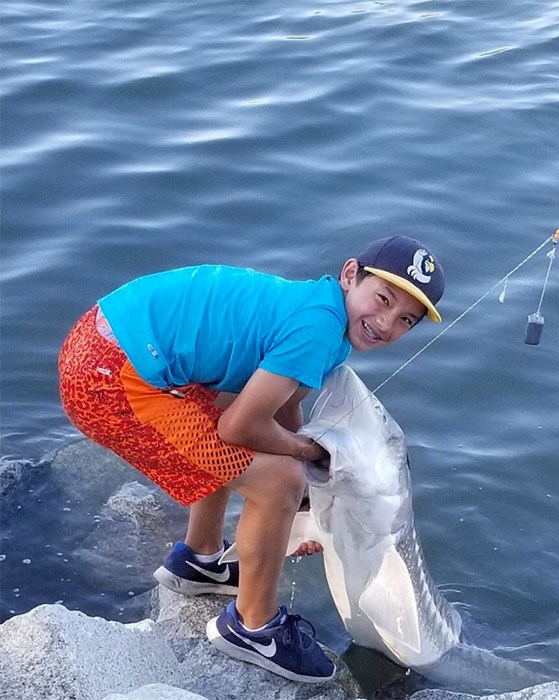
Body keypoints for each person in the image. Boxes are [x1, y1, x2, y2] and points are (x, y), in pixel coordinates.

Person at [58, 235, 445, 684]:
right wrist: (308, 458)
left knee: (233, 412)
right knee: (278, 478)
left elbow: (280, 404)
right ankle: (253, 628)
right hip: (109, 376)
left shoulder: (319, 310)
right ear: (349, 274)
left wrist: (307, 496)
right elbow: (239, 431)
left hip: (102, 341)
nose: (384, 322)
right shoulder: (318, 329)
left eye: (405, 320)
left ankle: (200, 558)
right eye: (382, 299)